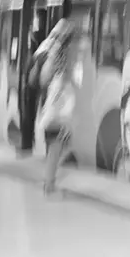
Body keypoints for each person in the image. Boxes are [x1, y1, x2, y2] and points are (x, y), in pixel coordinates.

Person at [38, 14, 89, 195]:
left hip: (56, 104)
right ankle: (49, 184)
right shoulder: (67, 56)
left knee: (58, 145)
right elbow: (67, 80)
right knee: (57, 145)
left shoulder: (54, 52)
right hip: (59, 107)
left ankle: (49, 180)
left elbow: (44, 79)